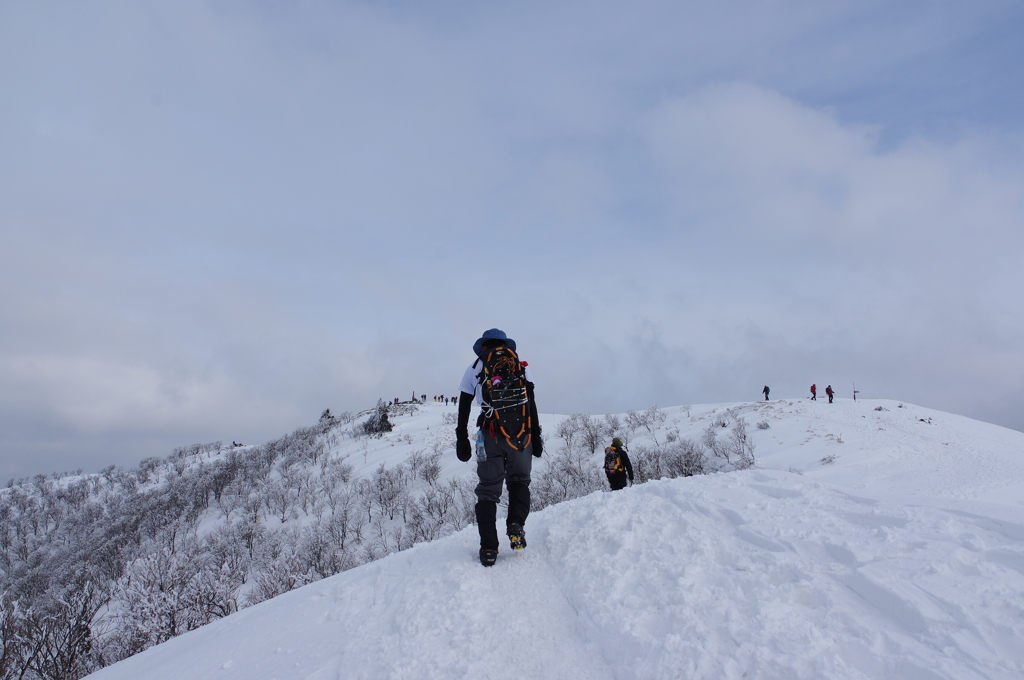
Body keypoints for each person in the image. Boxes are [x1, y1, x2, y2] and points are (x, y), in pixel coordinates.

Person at [455, 329, 542, 567]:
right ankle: (516, 525)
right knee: (520, 481)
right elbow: (530, 403)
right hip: (521, 435)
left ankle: (489, 548)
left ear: (483, 346)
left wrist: (461, 437)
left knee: (487, 491)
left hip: (490, 434)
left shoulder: (476, 366)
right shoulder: (521, 365)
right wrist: (536, 436)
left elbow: (464, 403)